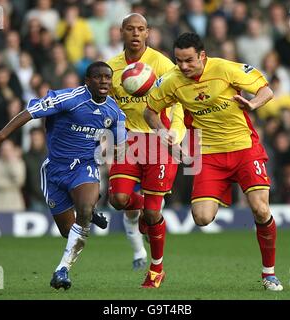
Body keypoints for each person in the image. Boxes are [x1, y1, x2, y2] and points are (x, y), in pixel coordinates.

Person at [143, 32, 283, 291]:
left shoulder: (225, 69)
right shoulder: (172, 81)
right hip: (208, 155)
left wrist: (253, 104)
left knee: (261, 209)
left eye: (189, 60)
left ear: (202, 56)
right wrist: (164, 136)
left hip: (244, 148)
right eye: (178, 61)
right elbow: (149, 111)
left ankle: (269, 274)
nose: (183, 66)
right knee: (202, 218)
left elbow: (267, 90)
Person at [0, 61, 127, 290]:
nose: (104, 81)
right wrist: (1, 135)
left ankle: (62, 270)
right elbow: (30, 112)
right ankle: (87, 210)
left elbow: (123, 144)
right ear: (87, 81)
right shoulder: (68, 98)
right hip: (55, 170)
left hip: (84, 166)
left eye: (108, 77)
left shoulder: (114, 111)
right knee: (70, 233)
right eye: (98, 77)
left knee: (84, 213)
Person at [106, 13, 186, 287]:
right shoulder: (111, 68)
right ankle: (144, 208)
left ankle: (156, 269)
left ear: (148, 33)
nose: (136, 34)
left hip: (158, 140)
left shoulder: (162, 63)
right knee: (117, 199)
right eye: (130, 29)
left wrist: (175, 134)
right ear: (121, 32)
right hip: (128, 139)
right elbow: (105, 105)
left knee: (153, 215)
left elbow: (179, 103)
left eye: (141, 29)